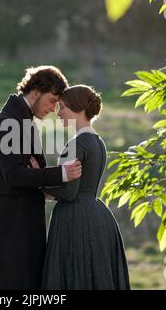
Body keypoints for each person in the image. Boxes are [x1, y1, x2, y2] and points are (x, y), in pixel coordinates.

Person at [0, 66, 83, 290]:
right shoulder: (9, 121)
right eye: (52, 100)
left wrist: (39, 180)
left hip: (24, 216)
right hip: (13, 222)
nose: (53, 109)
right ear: (36, 91)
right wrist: (61, 173)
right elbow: (14, 175)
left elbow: (26, 174)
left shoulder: (22, 118)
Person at [30, 84, 130, 290]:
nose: (58, 113)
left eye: (63, 107)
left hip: (76, 220)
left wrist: (37, 180)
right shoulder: (98, 141)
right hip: (99, 216)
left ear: (77, 108)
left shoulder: (77, 144)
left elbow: (68, 192)